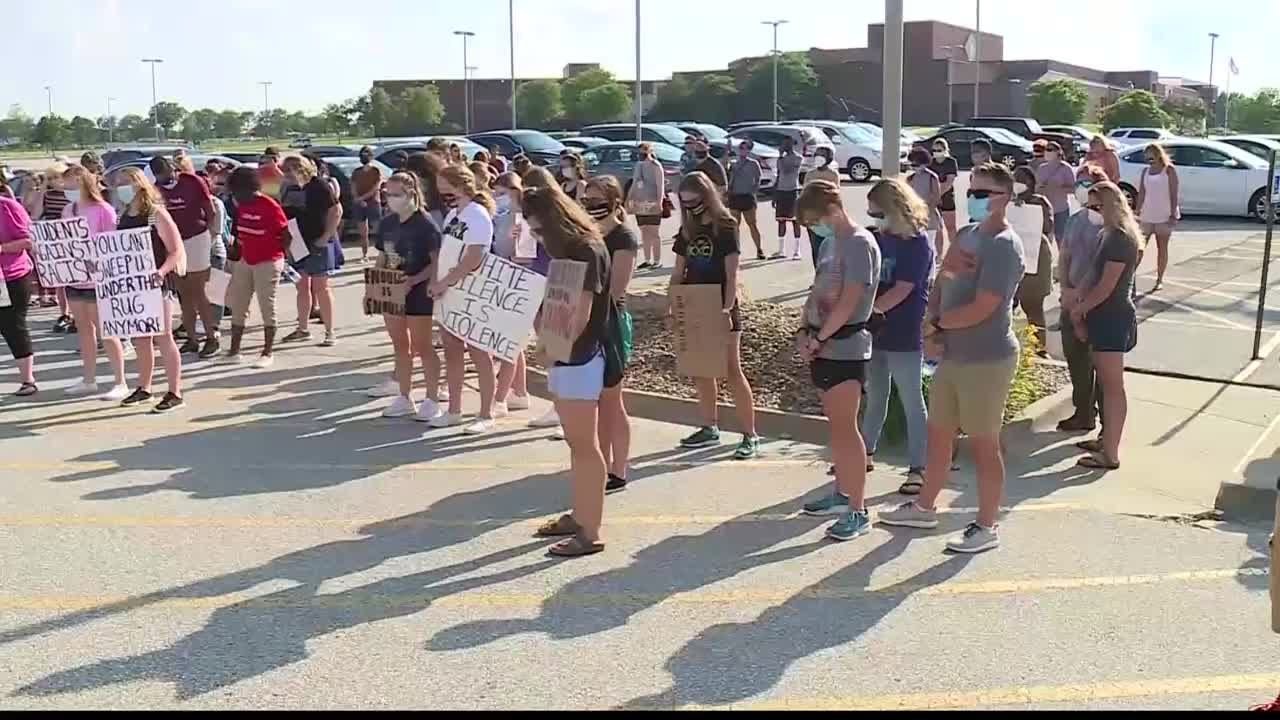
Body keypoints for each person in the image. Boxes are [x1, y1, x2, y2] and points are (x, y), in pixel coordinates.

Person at [879, 162, 1027, 554]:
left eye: (982, 193)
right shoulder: (966, 235)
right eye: (971, 191)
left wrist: (938, 325)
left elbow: (985, 306)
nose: (973, 198)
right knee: (940, 434)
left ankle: (986, 526)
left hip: (987, 358)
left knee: (983, 445)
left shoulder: (1005, 246)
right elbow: (943, 280)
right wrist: (931, 327)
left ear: (1005, 198)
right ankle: (924, 507)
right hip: (954, 355)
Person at [523, 184, 615, 558]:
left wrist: (551, 349)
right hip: (566, 354)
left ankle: (590, 532)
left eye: (539, 229)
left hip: (579, 356)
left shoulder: (586, 250)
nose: (537, 237)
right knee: (577, 445)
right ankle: (580, 515)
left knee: (584, 446)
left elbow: (581, 313)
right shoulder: (572, 249)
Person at [791, 179, 883, 542]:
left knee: (847, 428)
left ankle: (858, 510)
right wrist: (804, 329)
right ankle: (842, 491)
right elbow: (817, 290)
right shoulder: (830, 244)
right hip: (822, 343)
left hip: (846, 347)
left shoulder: (860, 244)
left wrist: (821, 337)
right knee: (837, 427)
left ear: (831, 210)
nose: (814, 228)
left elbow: (849, 300)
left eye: (814, 220)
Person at [847, 179, 933, 497]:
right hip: (876, 331)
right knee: (875, 395)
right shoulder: (878, 238)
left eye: (878, 213)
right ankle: (865, 452)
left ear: (896, 209)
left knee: (911, 399)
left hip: (903, 331)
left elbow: (903, 288)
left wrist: (870, 311)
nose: (875, 219)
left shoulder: (917, 244)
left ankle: (919, 467)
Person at [669, 171, 760, 459]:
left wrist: (726, 310)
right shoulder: (687, 230)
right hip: (693, 303)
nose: (691, 207)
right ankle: (709, 426)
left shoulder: (726, 226)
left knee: (732, 370)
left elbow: (732, 275)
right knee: (701, 368)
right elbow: (677, 272)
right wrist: (672, 305)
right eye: (685, 203)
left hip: (719, 302)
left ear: (707, 196)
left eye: (694, 201)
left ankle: (750, 434)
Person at [1067, 181, 1141, 471]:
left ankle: (1110, 453)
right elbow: (1092, 276)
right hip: (1102, 315)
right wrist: (1078, 299)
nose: (1092, 212)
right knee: (1106, 383)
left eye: (1097, 206)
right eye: (1089, 206)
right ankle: (1106, 440)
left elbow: (1106, 287)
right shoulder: (1107, 235)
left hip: (1112, 316)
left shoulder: (1120, 238)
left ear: (1111, 205)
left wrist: (1080, 309)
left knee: (1112, 387)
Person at [427, 164, 499, 434]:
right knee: (452, 350)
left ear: (461, 186)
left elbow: (473, 257)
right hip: (449, 292)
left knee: (480, 352)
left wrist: (446, 281)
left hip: (472, 292)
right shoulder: (452, 215)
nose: (441, 192)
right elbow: (446, 251)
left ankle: (486, 412)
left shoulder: (477, 215)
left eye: (446, 187)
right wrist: (437, 280)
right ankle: (454, 409)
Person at [114, 168, 187, 413]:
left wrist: (162, 271)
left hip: (157, 283)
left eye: (126, 182)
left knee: (163, 336)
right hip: (133, 286)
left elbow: (175, 250)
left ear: (139, 184)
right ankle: (144, 387)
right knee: (140, 338)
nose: (121, 187)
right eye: (118, 183)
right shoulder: (123, 214)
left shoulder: (156, 214)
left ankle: (175, 392)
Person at [376, 172, 444, 423]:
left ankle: (432, 398)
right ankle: (404, 396)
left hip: (419, 291)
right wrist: (376, 285)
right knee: (399, 346)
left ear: (411, 194)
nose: (391, 199)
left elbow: (436, 262)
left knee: (422, 345)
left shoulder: (425, 224)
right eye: (388, 194)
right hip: (392, 289)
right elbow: (382, 256)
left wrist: (414, 281)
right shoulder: (387, 223)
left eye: (396, 194)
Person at [584, 175, 636, 493]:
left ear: (614, 202)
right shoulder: (586, 234)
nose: (590, 206)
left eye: (596, 200)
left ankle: (617, 469)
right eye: (586, 200)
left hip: (610, 322)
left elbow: (616, 289)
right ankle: (600, 465)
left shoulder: (623, 237)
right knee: (596, 402)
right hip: (586, 322)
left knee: (611, 401)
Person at [60, 165, 127, 399]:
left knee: (106, 331)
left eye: (70, 183)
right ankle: (89, 379)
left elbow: (112, 243)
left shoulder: (103, 209)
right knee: (84, 330)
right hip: (75, 277)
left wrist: (96, 258)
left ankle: (120, 381)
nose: (66, 188)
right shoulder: (68, 209)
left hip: (98, 279)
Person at [1056, 165, 1110, 433]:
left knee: (1102, 366)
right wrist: (1066, 288)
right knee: (1076, 360)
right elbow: (1065, 254)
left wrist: (1082, 295)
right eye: (1079, 183)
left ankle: (1107, 424)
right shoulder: (1075, 220)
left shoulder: (1111, 223)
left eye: (1087, 183)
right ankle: (1083, 412)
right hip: (1071, 299)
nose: (1082, 188)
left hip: (1100, 303)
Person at [151, 156, 220, 358]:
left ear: (173, 169)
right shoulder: (156, 189)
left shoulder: (192, 181)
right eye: (160, 176)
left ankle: (211, 336)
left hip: (196, 237)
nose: (165, 179)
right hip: (174, 242)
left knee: (198, 291)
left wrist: (210, 232)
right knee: (184, 293)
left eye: (167, 173)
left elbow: (210, 209)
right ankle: (192, 338)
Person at [224, 166, 288, 368]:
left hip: (268, 261)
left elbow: (286, 235)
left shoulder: (270, 206)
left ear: (248, 188)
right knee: (239, 304)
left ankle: (267, 352)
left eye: (237, 192)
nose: (235, 197)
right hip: (246, 259)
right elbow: (241, 232)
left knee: (267, 306)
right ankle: (234, 350)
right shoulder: (242, 206)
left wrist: (280, 256)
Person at [277, 156, 340, 347]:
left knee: (322, 287)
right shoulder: (289, 188)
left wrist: (325, 237)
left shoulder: (319, 185)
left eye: (289, 170)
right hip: (297, 240)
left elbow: (336, 211)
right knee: (301, 285)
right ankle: (303, 328)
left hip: (318, 241)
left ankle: (330, 332)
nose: (286, 174)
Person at [492, 171, 534, 417]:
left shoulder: (524, 218)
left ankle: (509, 393)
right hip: (504, 276)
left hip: (516, 281)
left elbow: (524, 256)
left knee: (510, 341)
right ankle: (519, 391)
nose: (498, 197)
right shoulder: (504, 215)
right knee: (512, 342)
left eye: (502, 193)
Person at [1011, 165, 1055, 354]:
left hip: (1036, 259)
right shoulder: (1007, 202)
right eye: (1015, 179)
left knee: (1033, 306)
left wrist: (1026, 208)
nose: (1018, 183)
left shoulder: (1040, 202)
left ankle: (1039, 349)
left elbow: (1047, 227)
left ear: (1031, 183)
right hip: (1012, 259)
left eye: (1023, 179)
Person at [0, 190, 37, 396]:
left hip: (11, 276)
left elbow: (29, 240)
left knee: (13, 325)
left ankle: (28, 380)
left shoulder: (7, 206)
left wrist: (2, 248)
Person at [1136, 143, 1179, 292]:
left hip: (1164, 215)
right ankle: (1130, 278)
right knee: (1139, 247)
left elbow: (1174, 193)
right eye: (1147, 157)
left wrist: (1173, 214)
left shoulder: (1169, 170)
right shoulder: (1145, 171)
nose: (1149, 159)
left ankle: (1159, 279)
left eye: (1151, 156)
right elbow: (1142, 193)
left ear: (1158, 155)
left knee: (1162, 248)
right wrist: (1137, 212)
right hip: (1147, 214)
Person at [627, 142, 666, 270]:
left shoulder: (656, 166)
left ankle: (657, 260)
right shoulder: (639, 165)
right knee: (644, 231)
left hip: (653, 201)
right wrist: (629, 198)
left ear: (649, 152)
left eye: (643, 152)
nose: (640, 155)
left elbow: (660, 186)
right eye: (639, 153)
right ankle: (647, 259)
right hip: (640, 202)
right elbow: (635, 182)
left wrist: (659, 202)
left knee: (654, 232)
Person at [727, 139, 765, 260]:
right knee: (734, 225)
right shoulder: (733, 163)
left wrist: (754, 190)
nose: (742, 151)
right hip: (735, 196)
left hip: (747, 197)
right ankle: (736, 249)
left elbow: (758, 178)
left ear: (749, 150)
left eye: (745, 148)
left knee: (752, 224)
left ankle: (759, 249)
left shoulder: (753, 163)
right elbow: (727, 176)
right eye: (740, 148)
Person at [804, 147, 841, 267]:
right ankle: (818, 273)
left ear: (828, 159)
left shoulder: (832, 175)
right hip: (813, 218)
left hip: (828, 217)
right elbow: (804, 195)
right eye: (817, 154)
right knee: (816, 249)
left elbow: (836, 196)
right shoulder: (810, 174)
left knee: (829, 248)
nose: (818, 157)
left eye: (822, 155)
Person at [906, 147, 944, 259]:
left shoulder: (932, 177)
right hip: (914, 217)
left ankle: (931, 268)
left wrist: (925, 212)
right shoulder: (910, 178)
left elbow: (936, 198)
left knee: (929, 245)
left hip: (929, 216)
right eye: (912, 165)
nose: (914, 168)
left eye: (916, 165)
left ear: (924, 163)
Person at [1035, 141, 1076, 242]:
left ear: (1058, 152)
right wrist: (1041, 188)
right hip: (1045, 209)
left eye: (1049, 150)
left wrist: (1058, 188)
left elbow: (1074, 189)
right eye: (1045, 150)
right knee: (1044, 239)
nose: (1046, 152)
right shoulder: (1041, 168)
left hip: (1061, 209)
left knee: (1061, 239)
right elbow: (1036, 188)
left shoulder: (1066, 168)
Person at [773, 136, 804, 260]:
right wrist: (775, 194)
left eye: (787, 144)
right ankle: (781, 250)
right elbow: (779, 175)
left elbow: (786, 170)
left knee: (795, 221)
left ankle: (797, 250)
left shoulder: (798, 158)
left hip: (792, 190)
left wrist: (781, 157)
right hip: (781, 191)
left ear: (791, 144)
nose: (784, 146)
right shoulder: (781, 158)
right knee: (781, 220)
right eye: (783, 144)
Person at [352, 146, 383, 264]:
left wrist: (362, 198)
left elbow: (376, 187)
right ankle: (365, 255)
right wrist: (358, 199)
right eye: (362, 155)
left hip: (373, 203)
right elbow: (353, 186)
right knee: (363, 233)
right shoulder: (356, 172)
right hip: (359, 204)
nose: (364, 157)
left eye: (366, 155)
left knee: (378, 230)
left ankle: (383, 254)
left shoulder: (375, 171)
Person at [929, 138, 960, 247]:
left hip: (947, 198)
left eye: (939, 150)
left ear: (945, 150)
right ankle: (939, 254)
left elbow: (949, 182)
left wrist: (937, 194)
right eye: (934, 150)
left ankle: (955, 250)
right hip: (934, 200)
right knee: (938, 229)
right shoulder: (930, 163)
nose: (936, 153)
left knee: (951, 227)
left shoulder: (951, 162)